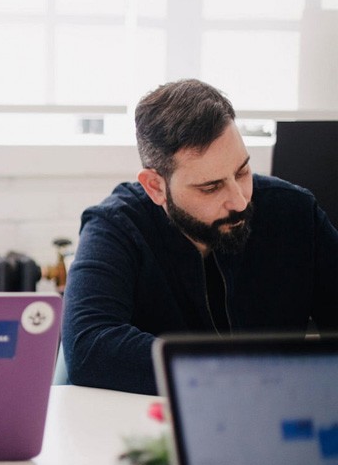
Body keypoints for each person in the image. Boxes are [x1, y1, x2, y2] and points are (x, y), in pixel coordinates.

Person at [62, 78, 338, 395]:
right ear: (155, 186)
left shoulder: (296, 211)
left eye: (242, 172)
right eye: (211, 187)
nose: (239, 200)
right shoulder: (116, 226)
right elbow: (89, 346)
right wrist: (237, 371)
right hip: (160, 429)